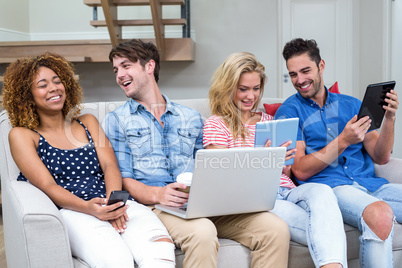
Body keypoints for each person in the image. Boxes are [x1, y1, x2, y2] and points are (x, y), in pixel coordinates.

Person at [102, 39, 290, 268]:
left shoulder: (190, 117)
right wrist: (158, 194)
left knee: (275, 229)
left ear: (149, 67)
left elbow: (213, 165)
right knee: (202, 231)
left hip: (203, 202)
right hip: (157, 206)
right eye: (115, 69)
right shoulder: (116, 119)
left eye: (125, 66)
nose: (119, 75)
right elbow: (123, 177)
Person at [1, 52, 175, 268]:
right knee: (117, 261)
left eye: (57, 81)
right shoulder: (22, 135)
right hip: (73, 211)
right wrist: (90, 208)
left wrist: (113, 205)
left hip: (114, 203)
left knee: (161, 254)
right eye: (43, 85)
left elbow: (110, 165)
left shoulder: (88, 122)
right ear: (27, 95)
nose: (54, 88)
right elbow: (47, 185)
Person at [203, 51, 347, 268]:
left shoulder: (272, 120)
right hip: (260, 199)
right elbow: (220, 179)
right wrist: (263, 162)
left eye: (256, 89)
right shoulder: (217, 124)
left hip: (288, 190)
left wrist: (282, 164)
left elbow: (289, 172)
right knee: (320, 228)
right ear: (228, 87)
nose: (250, 96)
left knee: (322, 191)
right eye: (243, 89)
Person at [276, 38, 402, 267]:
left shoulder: (352, 104)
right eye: (293, 74)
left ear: (321, 66)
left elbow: (380, 156)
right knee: (379, 214)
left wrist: (390, 118)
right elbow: (300, 170)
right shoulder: (289, 111)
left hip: (372, 185)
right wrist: (343, 140)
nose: (300, 80)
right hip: (334, 189)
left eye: (305, 71)